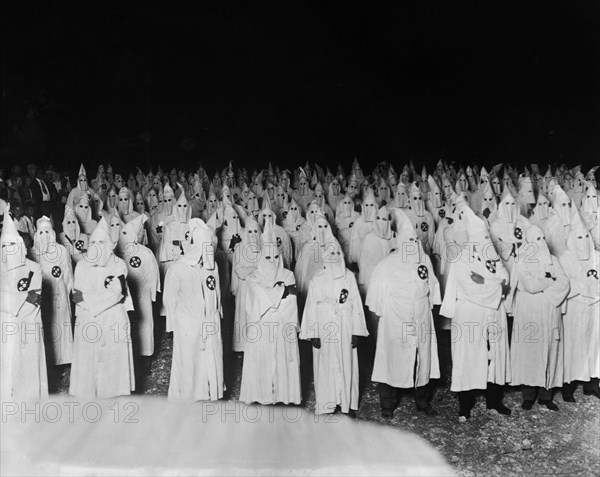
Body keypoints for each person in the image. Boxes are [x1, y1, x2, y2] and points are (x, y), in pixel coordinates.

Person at [366, 208, 441, 418]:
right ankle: (387, 405)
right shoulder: (386, 265)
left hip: (421, 316)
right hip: (396, 319)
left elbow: (433, 288)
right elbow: (375, 299)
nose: (413, 245)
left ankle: (423, 401)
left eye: (415, 240)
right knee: (392, 359)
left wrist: (430, 307)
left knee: (423, 359)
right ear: (399, 241)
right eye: (408, 241)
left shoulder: (424, 261)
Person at [440, 207, 512, 419]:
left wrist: (486, 282)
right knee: (469, 358)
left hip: (494, 314)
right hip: (470, 315)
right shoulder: (462, 260)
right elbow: (469, 289)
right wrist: (495, 287)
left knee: (494, 358)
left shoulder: (492, 256)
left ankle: (494, 400)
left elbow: (506, 280)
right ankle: (465, 404)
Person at [70, 217, 136, 398]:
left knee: (112, 364)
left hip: (113, 318)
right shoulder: (81, 266)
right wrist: (93, 298)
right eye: (93, 242)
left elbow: (116, 293)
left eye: (102, 242)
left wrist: (88, 297)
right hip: (88, 319)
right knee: (89, 365)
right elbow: (77, 296)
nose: (97, 246)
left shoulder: (119, 265)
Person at [301, 241, 368, 415]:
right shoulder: (317, 278)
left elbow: (357, 306)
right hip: (324, 326)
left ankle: (347, 402)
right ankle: (326, 403)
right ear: (325, 257)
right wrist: (313, 333)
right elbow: (311, 306)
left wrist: (357, 331)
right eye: (331, 254)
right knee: (325, 363)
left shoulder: (349, 277)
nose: (335, 257)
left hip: (345, 325)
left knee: (347, 362)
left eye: (338, 254)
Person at [239, 221, 301, 405]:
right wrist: (282, 292)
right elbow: (259, 297)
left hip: (282, 326)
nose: (273, 262)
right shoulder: (253, 277)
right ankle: (261, 396)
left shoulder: (288, 275)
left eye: (276, 257)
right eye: (268, 258)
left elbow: (291, 301)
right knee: (262, 363)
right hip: (261, 328)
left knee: (282, 362)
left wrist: (276, 298)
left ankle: (284, 396)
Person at [163, 218, 224, 402]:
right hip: (188, 325)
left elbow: (217, 294)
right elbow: (169, 300)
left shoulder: (212, 268)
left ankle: (211, 395)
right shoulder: (177, 269)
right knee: (190, 363)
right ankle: (188, 399)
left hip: (211, 323)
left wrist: (216, 315)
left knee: (210, 361)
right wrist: (173, 325)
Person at [510, 225, 570, 410]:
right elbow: (530, 286)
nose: (541, 243)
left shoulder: (552, 259)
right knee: (530, 353)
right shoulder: (521, 261)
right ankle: (528, 396)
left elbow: (565, 283)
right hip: (530, 314)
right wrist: (550, 282)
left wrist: (545, 286)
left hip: (549, 311)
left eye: (542, 238)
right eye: (536, 239)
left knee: (550, 350)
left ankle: (546, 395)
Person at [0, 207, 48, 401]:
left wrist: (12, 300)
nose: (7, 250)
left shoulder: (34, 268)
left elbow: (35, 299)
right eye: (3, 246)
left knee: (29, 364)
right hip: (6, 326)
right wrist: (21, 297)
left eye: (11, 245)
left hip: (29, 324)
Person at [559, 227, 600, 401]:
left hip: (595, 306)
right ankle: (568, 387)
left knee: (594, 344)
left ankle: (592, 384)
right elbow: (563, 283)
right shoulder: (565, 259)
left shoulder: (597, 257)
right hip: (575, 307)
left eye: (586, 237)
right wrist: (582, 287)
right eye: (578, 237)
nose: (583, 241)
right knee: (573, 346)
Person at [29, 216, 74, 366]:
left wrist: (67, 295)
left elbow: (68, 276)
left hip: (60, 296)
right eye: (41, 233)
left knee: (62, 327)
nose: (45, 236)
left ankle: (65, 360)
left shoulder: (62, 251)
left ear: (53, 233)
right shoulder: (32, 253)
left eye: (47, 232)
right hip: (43, 299)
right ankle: (50, 364)